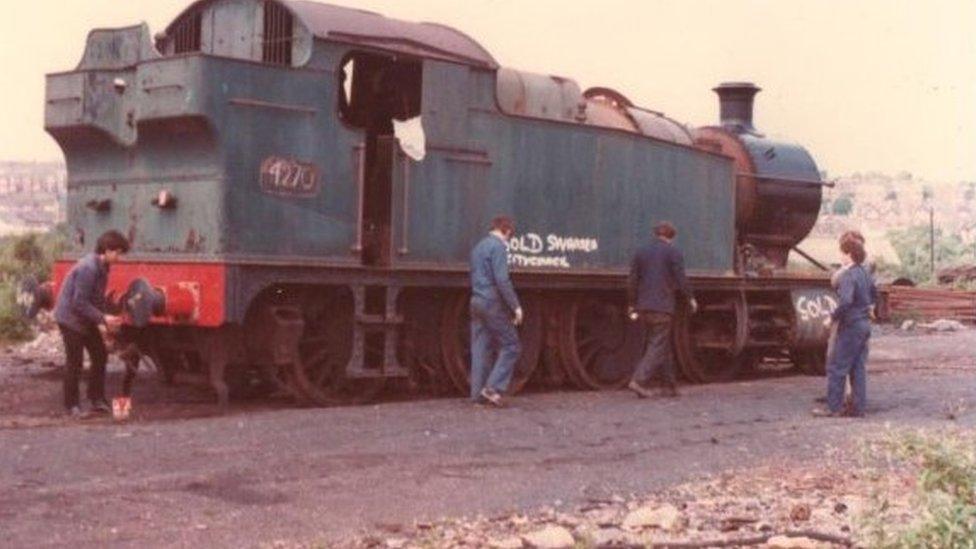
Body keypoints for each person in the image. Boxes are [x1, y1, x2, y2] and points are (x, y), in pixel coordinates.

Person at [54, 230, 129, 417]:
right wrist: (103, 319)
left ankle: (96, 400)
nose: (119, 257)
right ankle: (72, 406)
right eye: (118, 253)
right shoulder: (89, 268)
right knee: (75, 362)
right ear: (107, 250)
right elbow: (78, 303)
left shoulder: (103, 267)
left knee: (100, 355)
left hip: (85, 319)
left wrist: (104, 321)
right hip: (70, 319)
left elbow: (95, 298)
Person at [626, 221, 698, 398]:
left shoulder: (641, 252)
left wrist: (632, 303)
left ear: (656, 234)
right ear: (672, 237)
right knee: (657, 345)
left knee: (662, 345)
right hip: (662, 307)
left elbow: (632, 280)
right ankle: (638, 380)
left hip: (643, 307)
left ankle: (670, 386)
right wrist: (690, 298)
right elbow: (681, 279)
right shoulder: (673, 252)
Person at [812, 237, 876, 417]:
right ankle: (858, 408)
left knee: (837, 367)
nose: (840, 256)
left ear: (848, 254)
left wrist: (832, 318)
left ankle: (833, 408)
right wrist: (868, 307)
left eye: (842, 252)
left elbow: (846, 301)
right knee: (858, 368)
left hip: (851, 325)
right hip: (864, 325)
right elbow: (874, 293)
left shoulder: (848, 275)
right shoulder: (865, 272)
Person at [469, 215, 523, 407]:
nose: (509, 240)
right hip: (492, 302)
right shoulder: (498, 247)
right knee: (512, 345)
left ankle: (477, 395)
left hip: (476, 300)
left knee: (479, 348)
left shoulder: (479, 247)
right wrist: (515, 306)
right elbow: (502, 279)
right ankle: (492, 389)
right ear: (506, 231)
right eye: (510, 236)